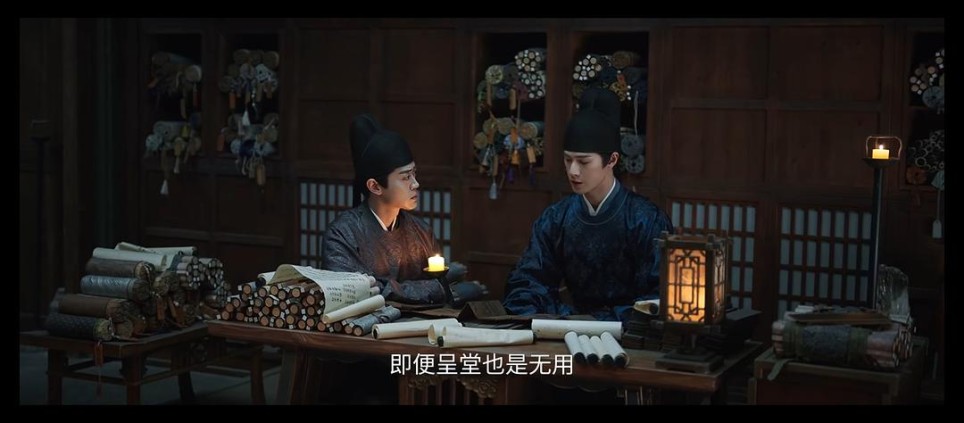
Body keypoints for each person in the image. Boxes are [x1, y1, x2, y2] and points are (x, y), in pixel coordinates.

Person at [502, 87, 673, 322]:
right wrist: (562, 318)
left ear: (612, 160)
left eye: (583, 162)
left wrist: (598, 321)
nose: (573, 171)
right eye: (568, 160)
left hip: (630, 334)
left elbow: (658, 298)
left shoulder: (646, 220)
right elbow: (528, 282)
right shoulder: (556, 218)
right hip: (570, 329)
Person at [322, 113, 485, 306]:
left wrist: (442, 288)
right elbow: (358, 291)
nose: (415, 184)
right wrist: (440, 290)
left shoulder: (421, 232)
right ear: (375, 186)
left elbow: (436, 289)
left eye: (414, 174)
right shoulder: (342, 235)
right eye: (406, 177)